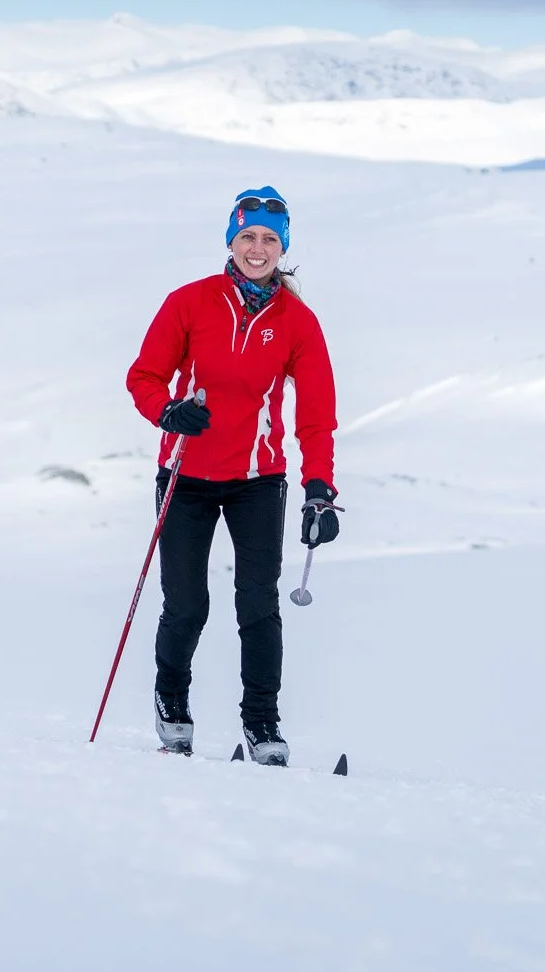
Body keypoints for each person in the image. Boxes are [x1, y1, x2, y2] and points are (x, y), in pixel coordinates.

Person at [125, 186, 340, 764]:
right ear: (231, 240)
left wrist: (319, 488)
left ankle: (262, 725)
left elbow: (317, 415)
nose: (257, 248)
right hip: (185, 474)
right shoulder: (190, 302)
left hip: (257, 480)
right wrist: (168, 411)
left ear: (283, 247)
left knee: (258, 606)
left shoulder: (298, 322)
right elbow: (144, 377)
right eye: (248, 236)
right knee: (186, 605)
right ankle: (172, 705)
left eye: (270, 238)